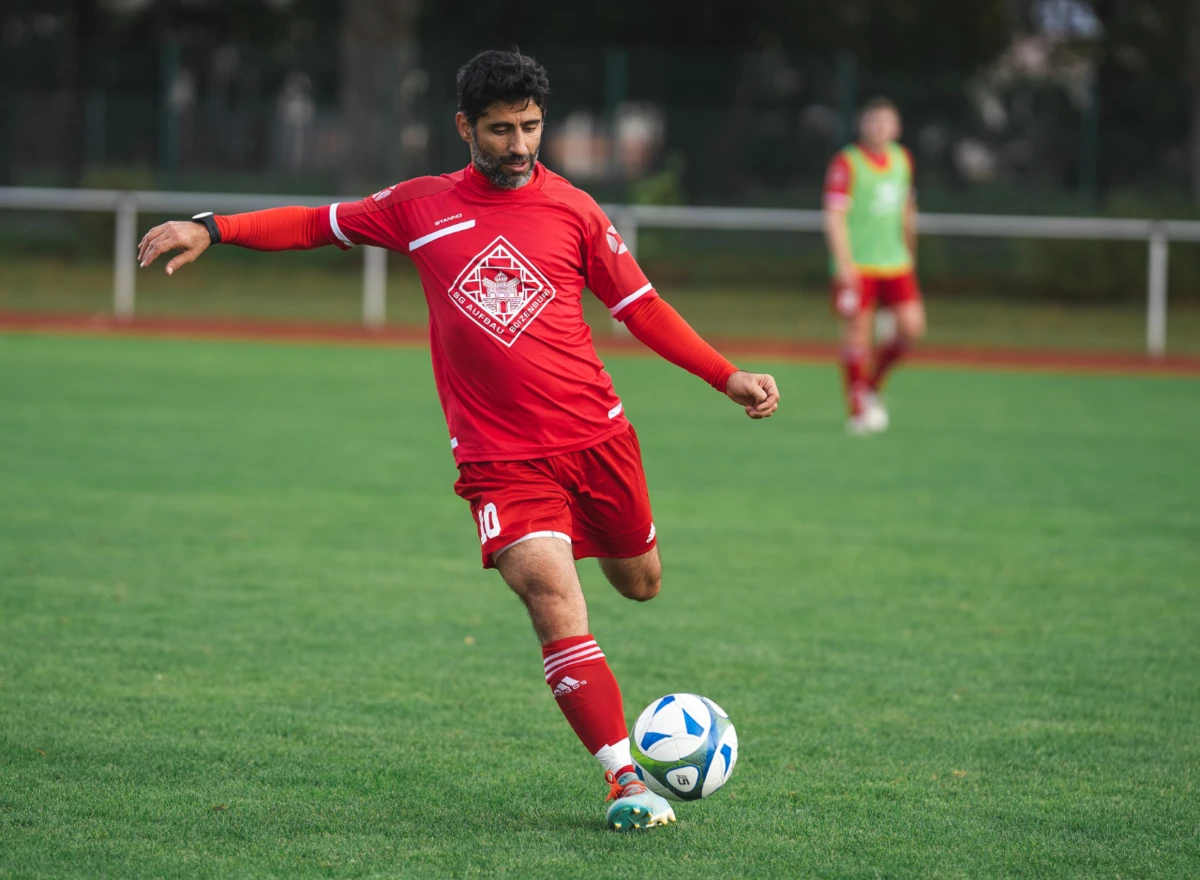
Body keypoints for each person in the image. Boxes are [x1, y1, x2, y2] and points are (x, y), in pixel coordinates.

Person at [137, 50, 779, 832]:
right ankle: (625, 783)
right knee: (551, 597)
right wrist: (213, 227)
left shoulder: (575, 210)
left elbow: (640, 308)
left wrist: (726, 375)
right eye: (501, 130)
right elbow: (316, 223)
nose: (519, 145)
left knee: (640, 583)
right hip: (499, 459)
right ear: (464, 127)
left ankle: (608, 596)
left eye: (531, 128)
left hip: (597, 438)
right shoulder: (418, 205)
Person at [823, 96, 924, 435]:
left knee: (912, 328)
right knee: (858, 336)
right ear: (862, 125)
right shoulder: (846, 163)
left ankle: (870, 386)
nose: (879, 128)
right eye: (873, 121)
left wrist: (911, 250)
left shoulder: (903, 159)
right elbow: (834, 217)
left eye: (886, 122)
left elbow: (908, 210)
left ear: (896, 127)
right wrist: (843, 265)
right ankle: (857, 410)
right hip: (859, 264)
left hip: (896, 262)